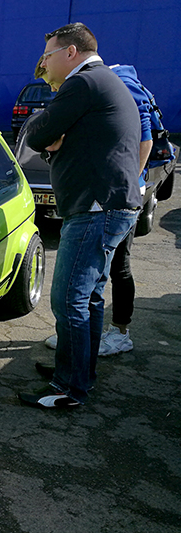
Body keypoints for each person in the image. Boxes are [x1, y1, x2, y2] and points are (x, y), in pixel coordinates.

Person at [19, 23, 142, 409]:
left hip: (94, 209)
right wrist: (55, 142)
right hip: (108, 206)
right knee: (88, 298)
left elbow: (35, 133)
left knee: (68, 298)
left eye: (48, 55)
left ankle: (68, 389)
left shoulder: (83, 83)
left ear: (70, 52)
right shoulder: (103, 82)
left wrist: (50, 136)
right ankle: (77, 374)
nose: (44, 64)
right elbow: (55, 140)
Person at [43, 64, 162, 356]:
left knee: (116, 266)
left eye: (54, 84)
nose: (55, 89)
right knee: (97, 272)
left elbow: (145, 138)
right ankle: (79, 338)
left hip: (117, 198)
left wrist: (126, 182)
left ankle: (119, 332)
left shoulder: (116, 84)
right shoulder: (98, 85)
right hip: (110, 194)